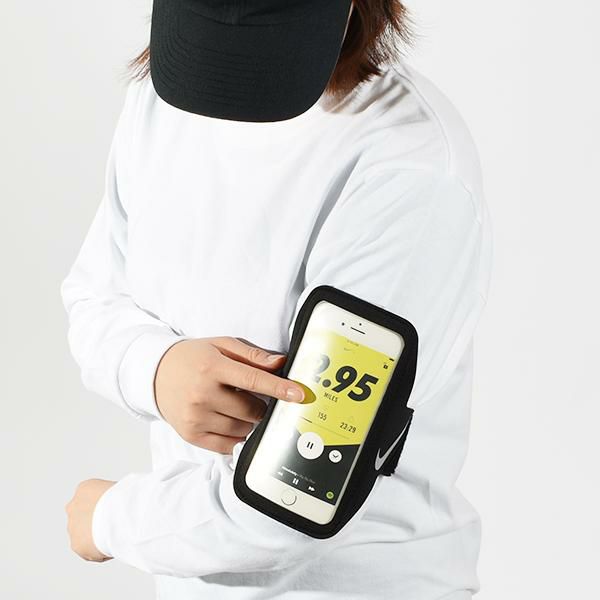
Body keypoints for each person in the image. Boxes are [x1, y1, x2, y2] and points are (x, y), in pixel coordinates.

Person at [62, 1, 493, 598]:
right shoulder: (167, 95)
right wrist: (155, 369)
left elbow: (300, 490)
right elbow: (94, 295)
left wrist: (111, 520)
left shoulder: (408, 171)